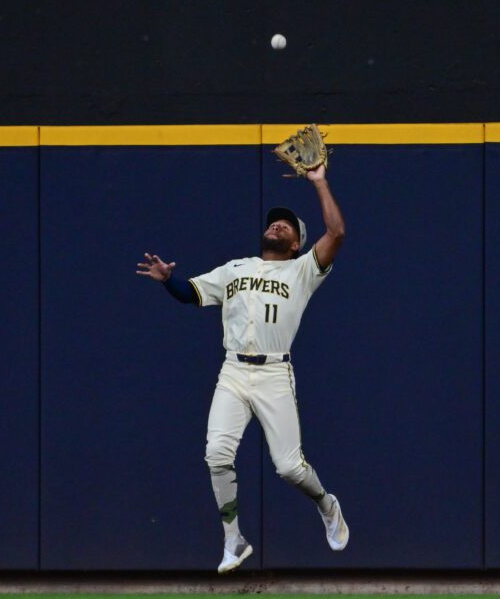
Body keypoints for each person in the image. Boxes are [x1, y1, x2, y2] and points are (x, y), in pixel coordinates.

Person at [136, 164, 347, 573]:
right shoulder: (234, 268)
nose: (278, 226)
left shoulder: (301, 271)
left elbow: (336, 234)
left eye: (287, 226)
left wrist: (319, 182)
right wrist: (167, 280)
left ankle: (326, 503)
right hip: (232, 372)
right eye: (274, 223)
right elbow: (192, 293)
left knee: (289, 467)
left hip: (273, 373)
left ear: (298, 243)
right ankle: (234, 539)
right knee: (216, 454)